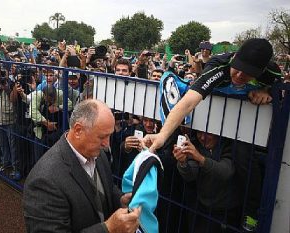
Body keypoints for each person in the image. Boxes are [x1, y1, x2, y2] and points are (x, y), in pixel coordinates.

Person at [23, 99, 141, 233]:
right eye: (102, 137)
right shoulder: (44, 181)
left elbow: (106, 187)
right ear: (78, 130)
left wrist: (120, 200)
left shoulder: (98, 153)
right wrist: (108, 229)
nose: (107, 144)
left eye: (109, 136)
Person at [143, 38, 275, 152]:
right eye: (237, 67)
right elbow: (188, 102)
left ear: (262, 70)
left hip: (243, 126)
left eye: (247, 72)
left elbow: (278, 87)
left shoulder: (272, 71)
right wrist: (162, 135)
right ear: (234, 57)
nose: (240, 75)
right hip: (209, 120)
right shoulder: (218, 64)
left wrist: (266, 90)